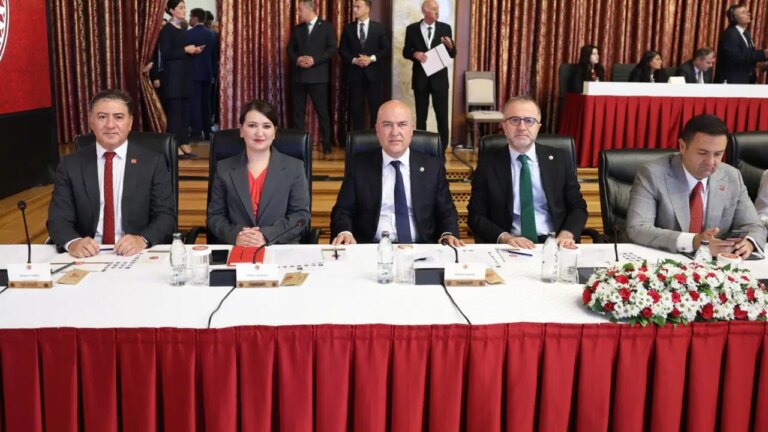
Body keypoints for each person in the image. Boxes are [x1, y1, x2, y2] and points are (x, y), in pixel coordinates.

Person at [47, 89, 176, 257]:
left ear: (130, 122)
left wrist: (142, 239)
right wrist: (73, 242)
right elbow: (58, 218)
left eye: (118, 117)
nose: (110, 125)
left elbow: (165, 216)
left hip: (136, 253)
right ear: (91, 121)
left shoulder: (152, 162)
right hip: (88, 254)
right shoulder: (70, 165)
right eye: (102, 117)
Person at [626, 114, 766, 258]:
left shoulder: (732, 176)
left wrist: (749, 242)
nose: (710, 162)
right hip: (665, 259)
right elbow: (638, 228)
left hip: (716, 264)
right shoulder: (652, 174)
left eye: (718, 154)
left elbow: (754, 225)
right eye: (702, 153)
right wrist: (694, 241)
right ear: (682, 146)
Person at [331, 100, 462, 246]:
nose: (395, 132)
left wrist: (448, 233)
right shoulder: (359, 166)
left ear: (411, 129)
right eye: (387, 125)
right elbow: (343, 210)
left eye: (402, 124)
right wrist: (345, 232)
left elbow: (446, 211)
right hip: (372, 248)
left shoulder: (432, 166)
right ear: (377, 130)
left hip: (421, 247)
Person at [468, 96, 587, 248]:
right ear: (504, 126)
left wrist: (566, 234)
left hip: (554, 243)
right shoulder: (488, 164)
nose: (522, 127)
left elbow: (578, 206)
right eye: (515, 120)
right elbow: (476, 215)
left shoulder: (559, 159)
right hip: (511, 245)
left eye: (529, 121)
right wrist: (505, 238)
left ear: (538, 126)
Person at [207, 100, 310, 246]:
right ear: (241, 130)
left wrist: (266, 236)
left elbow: (300, 215)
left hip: (280, 247)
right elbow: (215, 217)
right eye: (252, 125)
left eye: (266, 126)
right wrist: (236, 235)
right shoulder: (224, 168)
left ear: (274, 132)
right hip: (237, 247)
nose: (259, 133)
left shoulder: (294, 167)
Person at [402, 0, 456, 151]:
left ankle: (442, 150)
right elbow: (405, 51)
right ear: (424, 11)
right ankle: (421, 148)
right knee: (421, 117)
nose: (437, 11)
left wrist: (450, 46)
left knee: (442, 117)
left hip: (440, 81)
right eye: (433, 9)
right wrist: (415, 54)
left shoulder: (445, 28)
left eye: (437, 8)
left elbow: (452, 54)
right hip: (421, 80)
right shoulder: (412, 29)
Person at [287, 0, 338, 154]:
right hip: (299, 77)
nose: (299, 13)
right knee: (298, 113)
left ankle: (326, 144)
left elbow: (332, 49)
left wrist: (315, 60)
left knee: (322, 112)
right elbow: (290, 49)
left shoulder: (326, 27)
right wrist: (297, 59)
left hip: (318, 77)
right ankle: (298, 145)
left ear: (309, 9)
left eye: (301, 10)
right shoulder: (298, 29)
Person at [158, 0, 203, 159]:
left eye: (184, 7)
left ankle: (184, 143)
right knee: (175, 114)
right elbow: (166, 54)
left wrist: (194, 51)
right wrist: (185, 49)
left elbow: (182, 52)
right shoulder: (166, 30)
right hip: (173, 79)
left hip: (185, 77)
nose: (184, 10)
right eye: (181, 7)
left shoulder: (183, 29)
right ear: (172, 10)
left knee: (185, 113)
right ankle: (174, 145)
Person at [339, 0, 390, 130]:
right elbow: (342, 50)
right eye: (354, 7)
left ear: (367, 9)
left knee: (375, 109)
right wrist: (354, 60)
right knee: (356, 110)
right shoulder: (348, 28)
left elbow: (386, 49)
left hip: (374, 75)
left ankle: (374, 138)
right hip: (355, 75)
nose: (354, 9)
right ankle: (358, 140)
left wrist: (371, 59)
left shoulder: (378, 28)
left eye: (358, 7)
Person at [715, 4, 768, 84]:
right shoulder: (730, 34)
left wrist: (759, 64)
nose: (748, 14)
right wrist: (763, 53)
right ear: (733, 18)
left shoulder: (746, 33)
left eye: (747, 12)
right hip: (732, 82)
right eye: (743, 12)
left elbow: (748, 55)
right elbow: (736, 57)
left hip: (746, 81)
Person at [187, 8, 216, 141]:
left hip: (193, 74)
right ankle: (207, 130)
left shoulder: (189, 34)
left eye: (190, 17)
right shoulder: (212, 34)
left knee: (195, 104)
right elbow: (214, 57)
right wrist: (213, 74)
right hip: (208, 73)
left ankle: (196, 131)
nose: (189, 19)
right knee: (206, 103)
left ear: (195, 18)